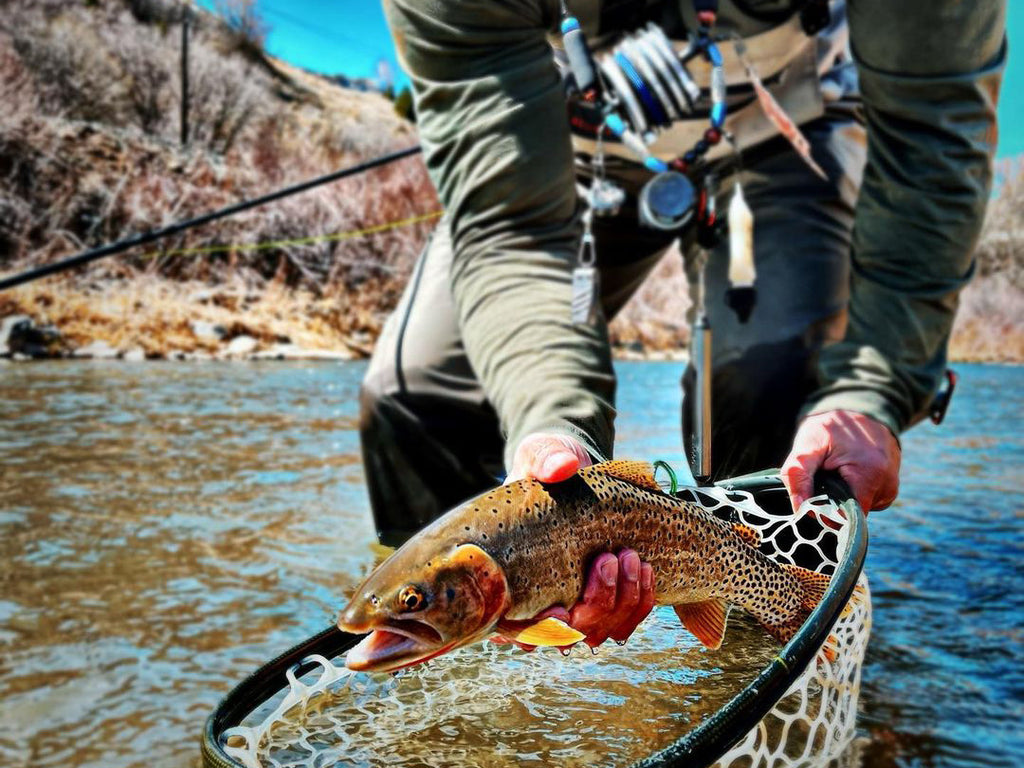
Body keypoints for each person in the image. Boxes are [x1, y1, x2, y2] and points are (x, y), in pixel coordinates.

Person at [360, 0, 1005, 647]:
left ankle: (771, 660)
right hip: (570, 142)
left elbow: (933, 145)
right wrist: (553, 433)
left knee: (779, 387)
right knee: (420, 396)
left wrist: (878, 382)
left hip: (794, 124)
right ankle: (471, 686)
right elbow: (512, 230)